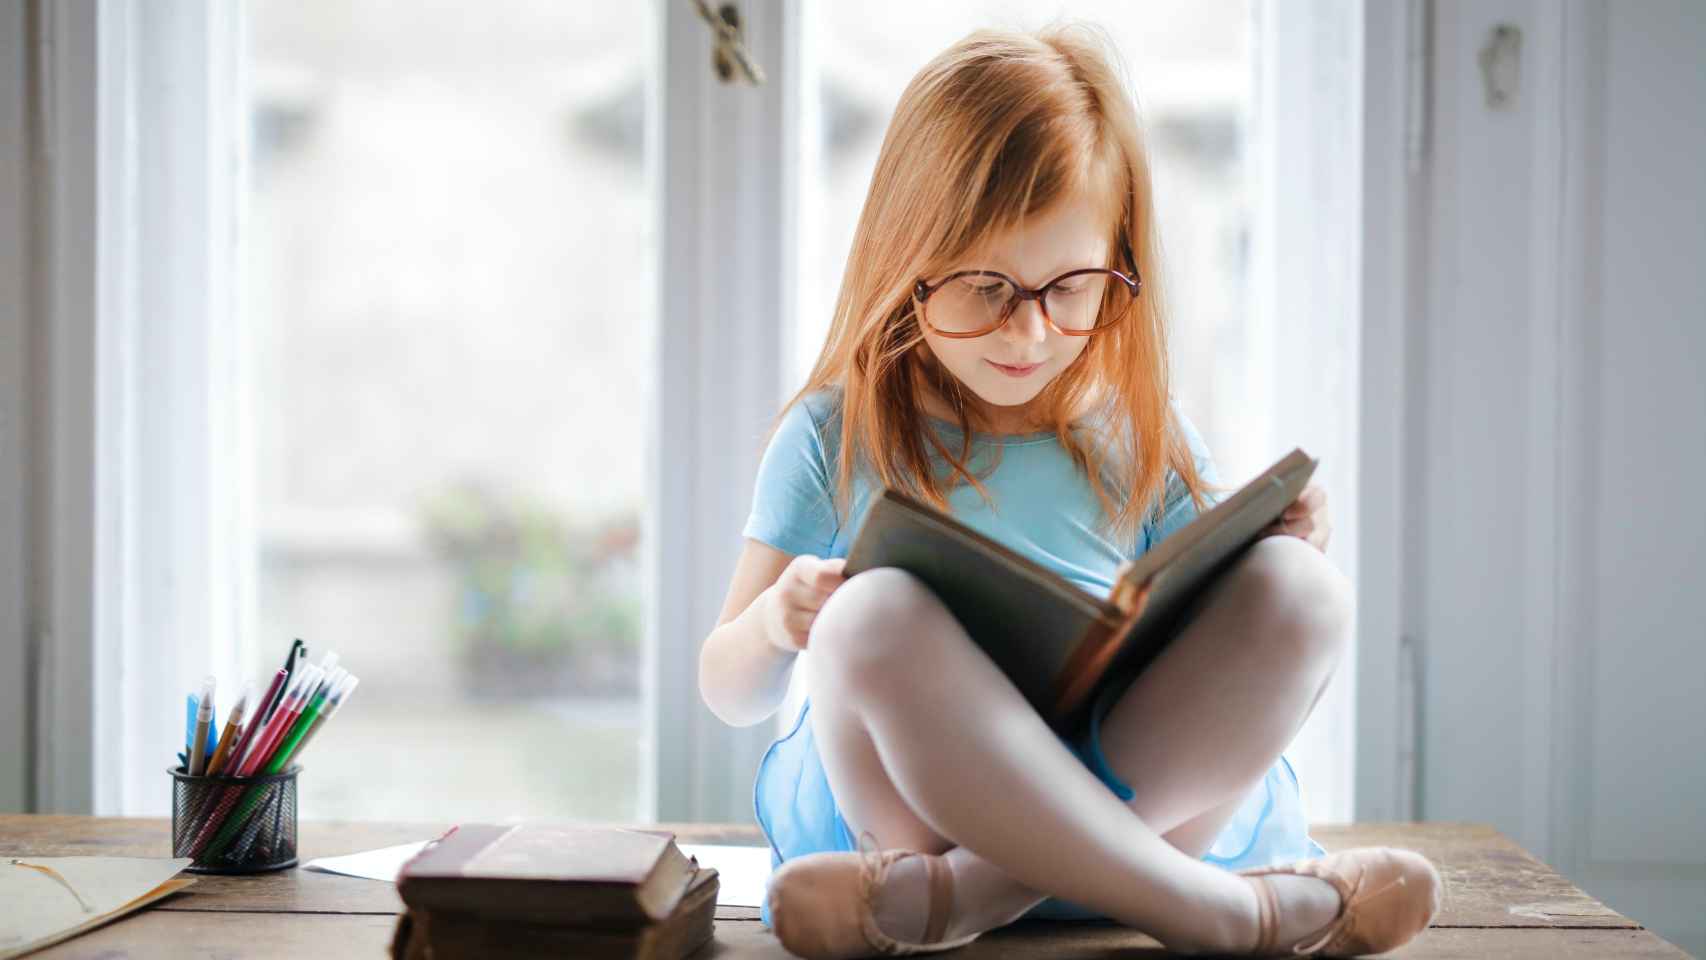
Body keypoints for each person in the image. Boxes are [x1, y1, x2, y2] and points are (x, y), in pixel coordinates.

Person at [698, 23, 1441, 959]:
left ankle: (971, 897)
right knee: (866, 615)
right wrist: (777, 623)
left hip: (1097, 823)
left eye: (1072, 288)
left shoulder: (1138, 430)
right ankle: (1225, 915)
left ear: (1117, 266)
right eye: (983, 288)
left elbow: (1221, 625)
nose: (1031, 334)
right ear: (906, 262)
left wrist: (1284, 540)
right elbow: (726, 689)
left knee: (1305, 591)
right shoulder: (835, 434)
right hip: (914, 826)